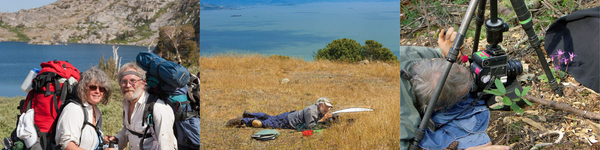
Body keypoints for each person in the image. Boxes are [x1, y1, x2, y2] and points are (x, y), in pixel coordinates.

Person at [400, 28, 510, 150]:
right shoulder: (403, 121)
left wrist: (445, 53)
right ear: (438, 108)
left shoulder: (409, 55)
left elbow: (439, 63)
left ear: (434, 60)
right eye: (464, 95)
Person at [104, 63, 177, 150]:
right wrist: (117, 139)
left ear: (143, 83)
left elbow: (166, 146)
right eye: (124, 81)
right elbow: (129, 130)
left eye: (133, 81)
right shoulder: (127, 103)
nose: (128, 85)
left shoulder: (158, 108)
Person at [55, 67, 114, 150]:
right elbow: (68, 145)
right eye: (93, 87)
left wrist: (102, 140)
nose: (97, 91)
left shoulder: (95, 110)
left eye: (101, 88)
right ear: (84, 87)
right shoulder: (74, 110)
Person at [226, 97, 335, 130]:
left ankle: (251, 114)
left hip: (287, 116)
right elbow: (310, 127)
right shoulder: (311, 111)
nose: (327, 110)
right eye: (326, 107)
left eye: (329, 108)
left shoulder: (317, 109)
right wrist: (323, 119)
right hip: (286, 121)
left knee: (270, 117)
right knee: (264, 124)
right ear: (320, 105)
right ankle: (242, 120)